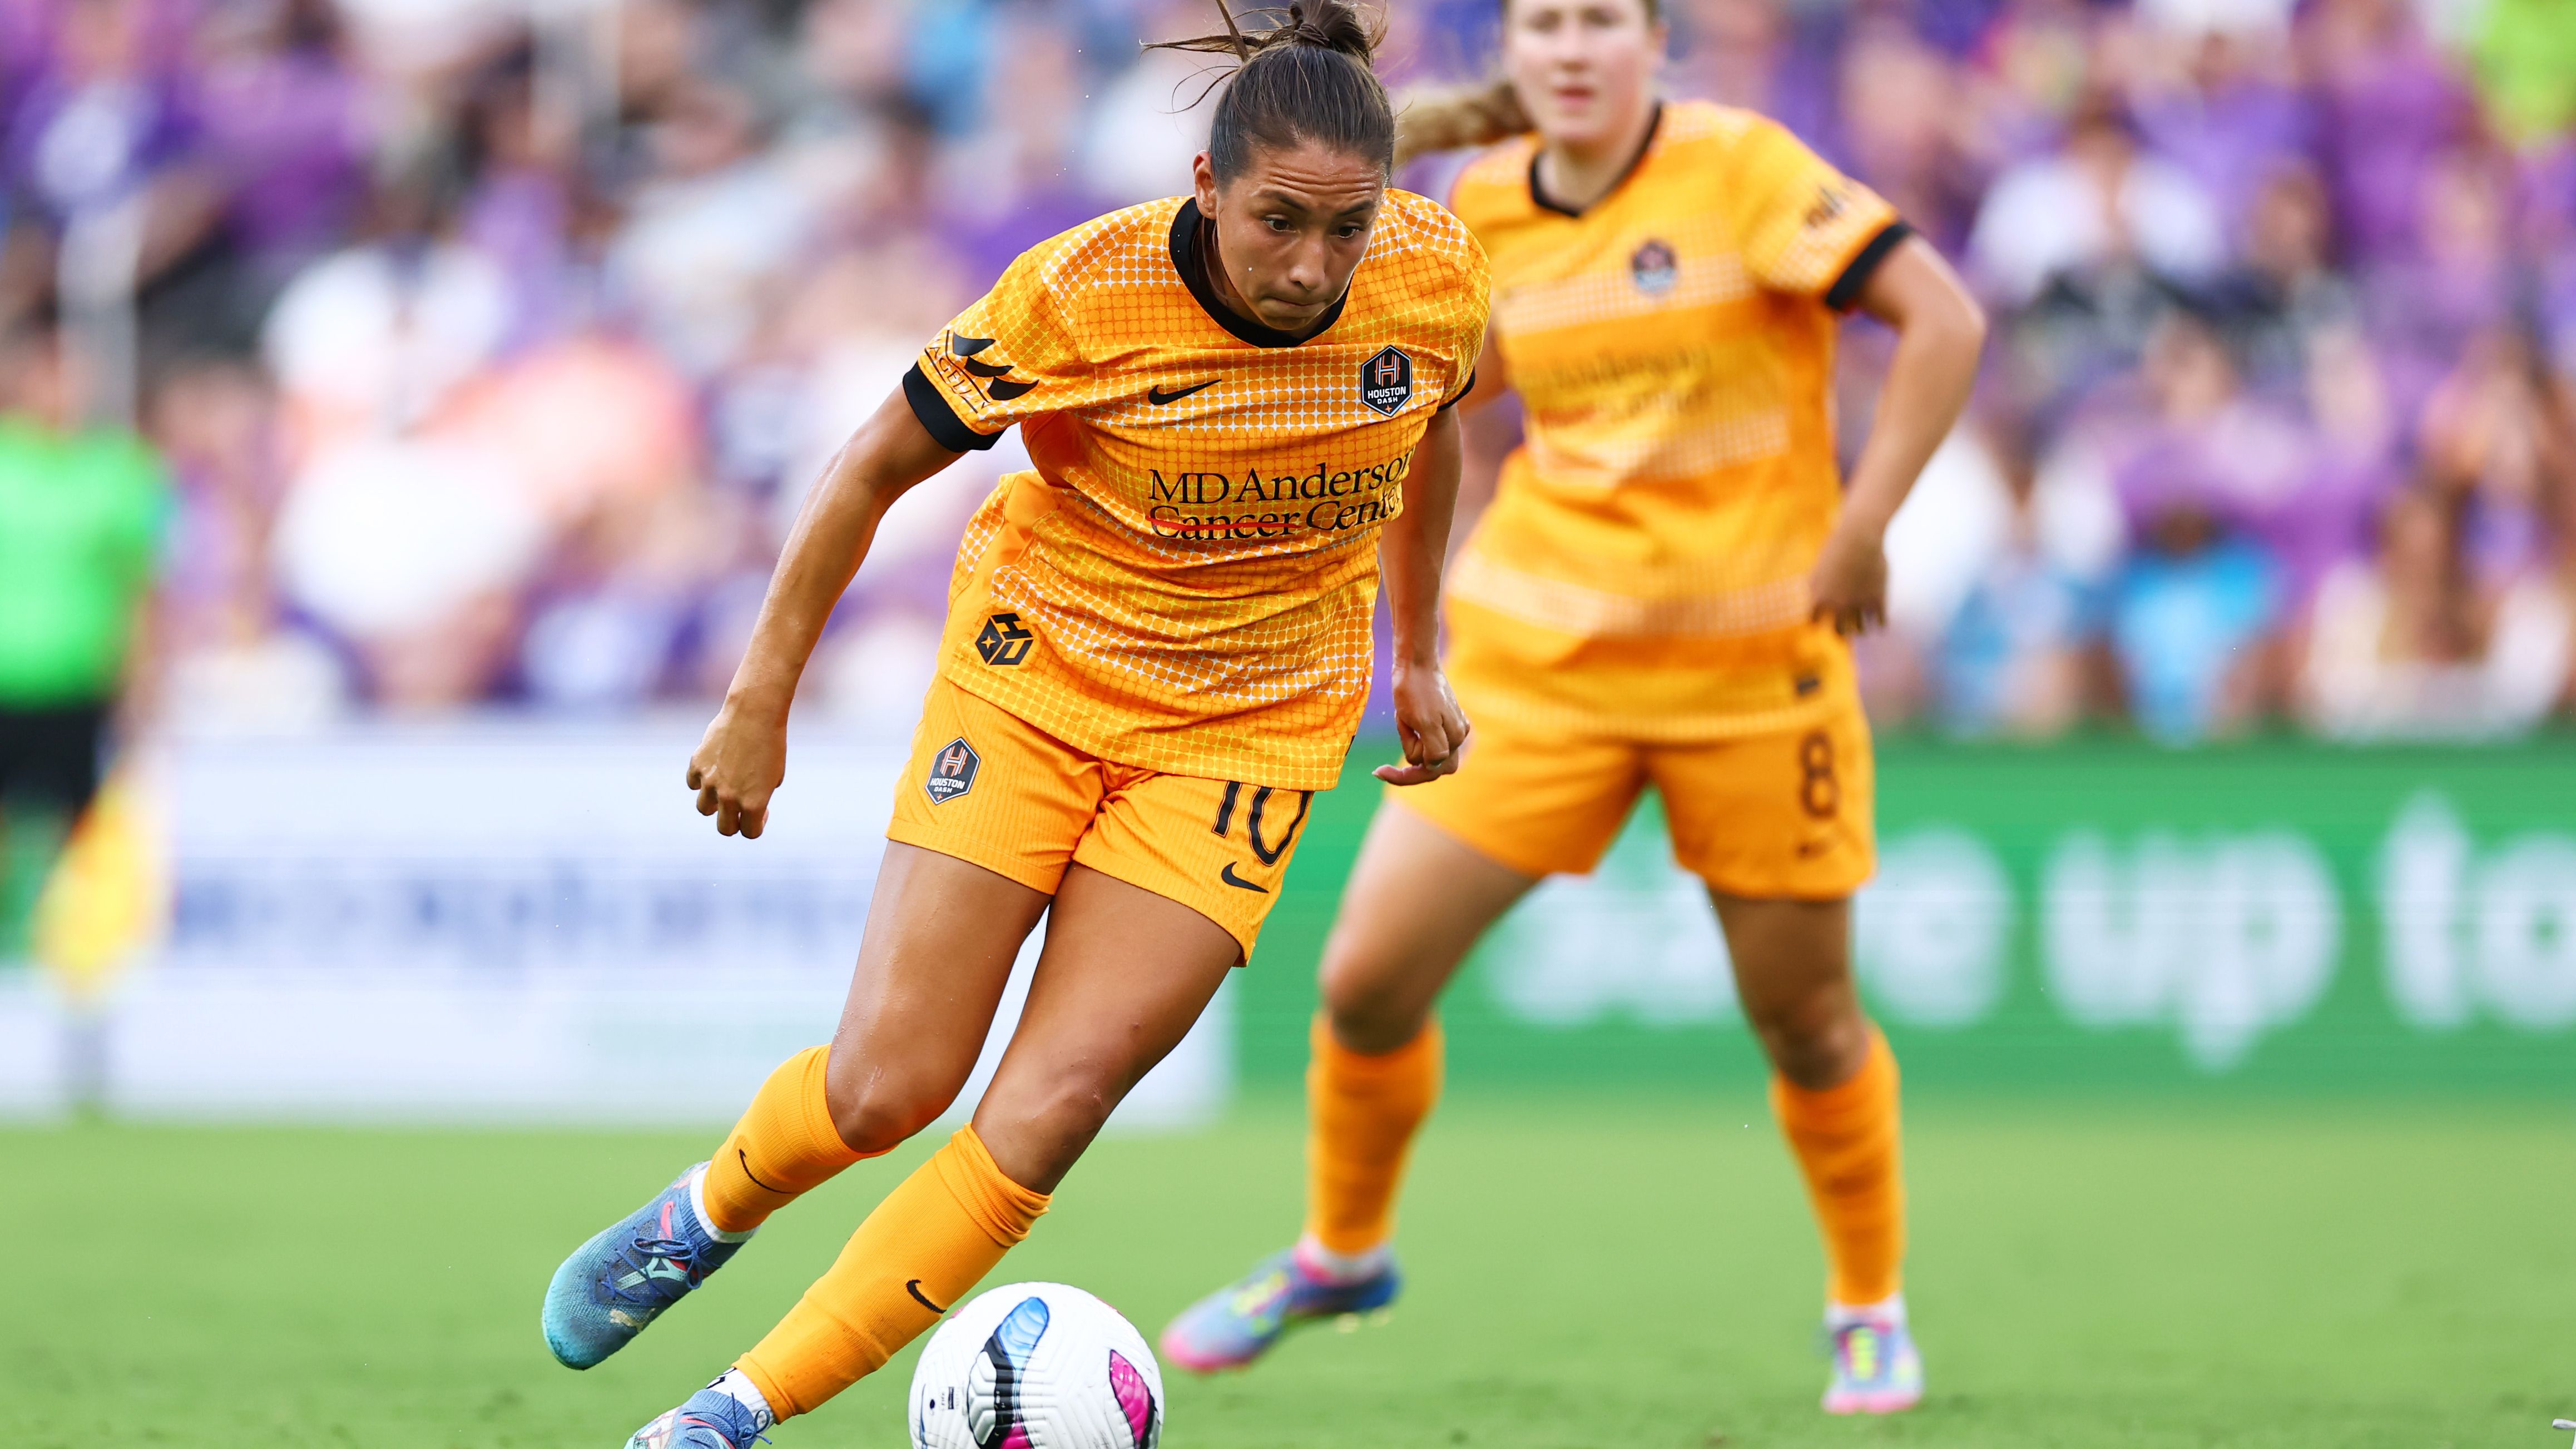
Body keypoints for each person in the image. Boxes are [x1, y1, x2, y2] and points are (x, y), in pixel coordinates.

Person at [536, 6, 1491, 1446]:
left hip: (1250, 731)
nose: (1312, 264)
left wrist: (1417, 653)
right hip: (1037, 679)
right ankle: (710, 1202)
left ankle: (728, 1413)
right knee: (888, 1084)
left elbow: (1432, 427)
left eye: (1344, 229)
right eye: (1278, 221)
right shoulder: (1080, 293)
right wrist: (758, 699)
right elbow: (868, 470)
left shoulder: (1431, 274)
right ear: (1207, 190)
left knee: (1051, 1103)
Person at [1161, 0, 1987, 1417]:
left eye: (1601, 19)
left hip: (1750, 670)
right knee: (1363, 983)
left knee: (1803, 1020)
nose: (1570, 46)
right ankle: (1340, 1251)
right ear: (1518, 47)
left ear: (1647, 41)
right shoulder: (1478, 203)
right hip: (1540, 665)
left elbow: (1943, 318)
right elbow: (1445, 416)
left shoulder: (1743, 170)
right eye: (1543, 20)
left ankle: (1866, 1303)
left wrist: (1862, 524)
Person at [0, 316, 170, 965]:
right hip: (6, 678)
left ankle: (74, 963)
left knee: (87, 837)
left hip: (79, 684)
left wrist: (143, 678)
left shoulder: (120, 469)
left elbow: (144, 587)